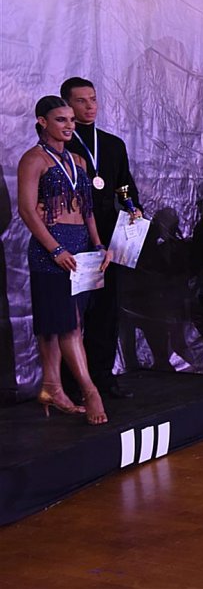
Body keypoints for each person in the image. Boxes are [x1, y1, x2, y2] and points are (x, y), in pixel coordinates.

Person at [18, 95, 110, 424]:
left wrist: (98, 244)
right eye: (61, 119)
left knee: (65, 324)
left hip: (81, 247)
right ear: (42, 121)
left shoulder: (78, 161)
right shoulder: (33, 159)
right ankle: (90, 391)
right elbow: (27, 210)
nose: (69, 125)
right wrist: (55, 249)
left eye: (71, 120)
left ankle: (52, 388)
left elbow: (87, 209)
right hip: (52, 250)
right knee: (66, 324)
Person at [61, 77, 141, 399]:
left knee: (107, 309)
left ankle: (103, 377)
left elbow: (124, 185)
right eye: (81, 101)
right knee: (74, 311)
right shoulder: (63, 144)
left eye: (93, 99)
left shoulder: (112, 144)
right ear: (67, 104)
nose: (90, 106)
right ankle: (72, 383)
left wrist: (132, 207)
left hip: (108, 233)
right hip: (73, 233)